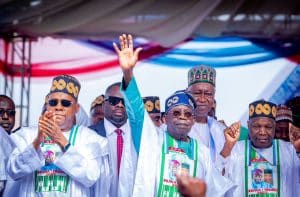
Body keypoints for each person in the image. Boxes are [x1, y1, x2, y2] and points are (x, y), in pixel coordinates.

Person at [114, 34, 234, 196]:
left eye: (187, 113)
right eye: (176, 112)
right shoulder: (152, 140)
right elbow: (136, 111)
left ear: (192, 120)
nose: (182, 116)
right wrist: (128, 72)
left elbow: (215, 189)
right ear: (166, 118)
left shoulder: (202, 152)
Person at [7, 74, 110, 196]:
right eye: (53, 102)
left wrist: (61, 141)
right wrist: (37, 141)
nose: (58, 107)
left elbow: (90, 177)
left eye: (65, 103)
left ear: (76, 108)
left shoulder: (90, 138)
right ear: (47, 105)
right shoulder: (27, 135)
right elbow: (13, 171)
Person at [220, 99, 300, 196]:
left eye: (268, 127)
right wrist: (228, 145)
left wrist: (298, 148)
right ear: (248, 125)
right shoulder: (236, 149)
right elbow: (217, 179)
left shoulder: (290, 150)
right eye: (256, 126)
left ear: (275, 127)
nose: (262, 132)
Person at [89, 82, 137, 196]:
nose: (120, 105)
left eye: (125, 102)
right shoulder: (89, 134)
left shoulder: (139, 136)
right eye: (114, 101)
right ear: (104, 104)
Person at [186, 65, 234, 161]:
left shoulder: (221, 130)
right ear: (187, 93)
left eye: (208, 94)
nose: (202, 99)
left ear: (214, 96)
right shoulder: (175, 127)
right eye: (197, 93)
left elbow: (228, 167)